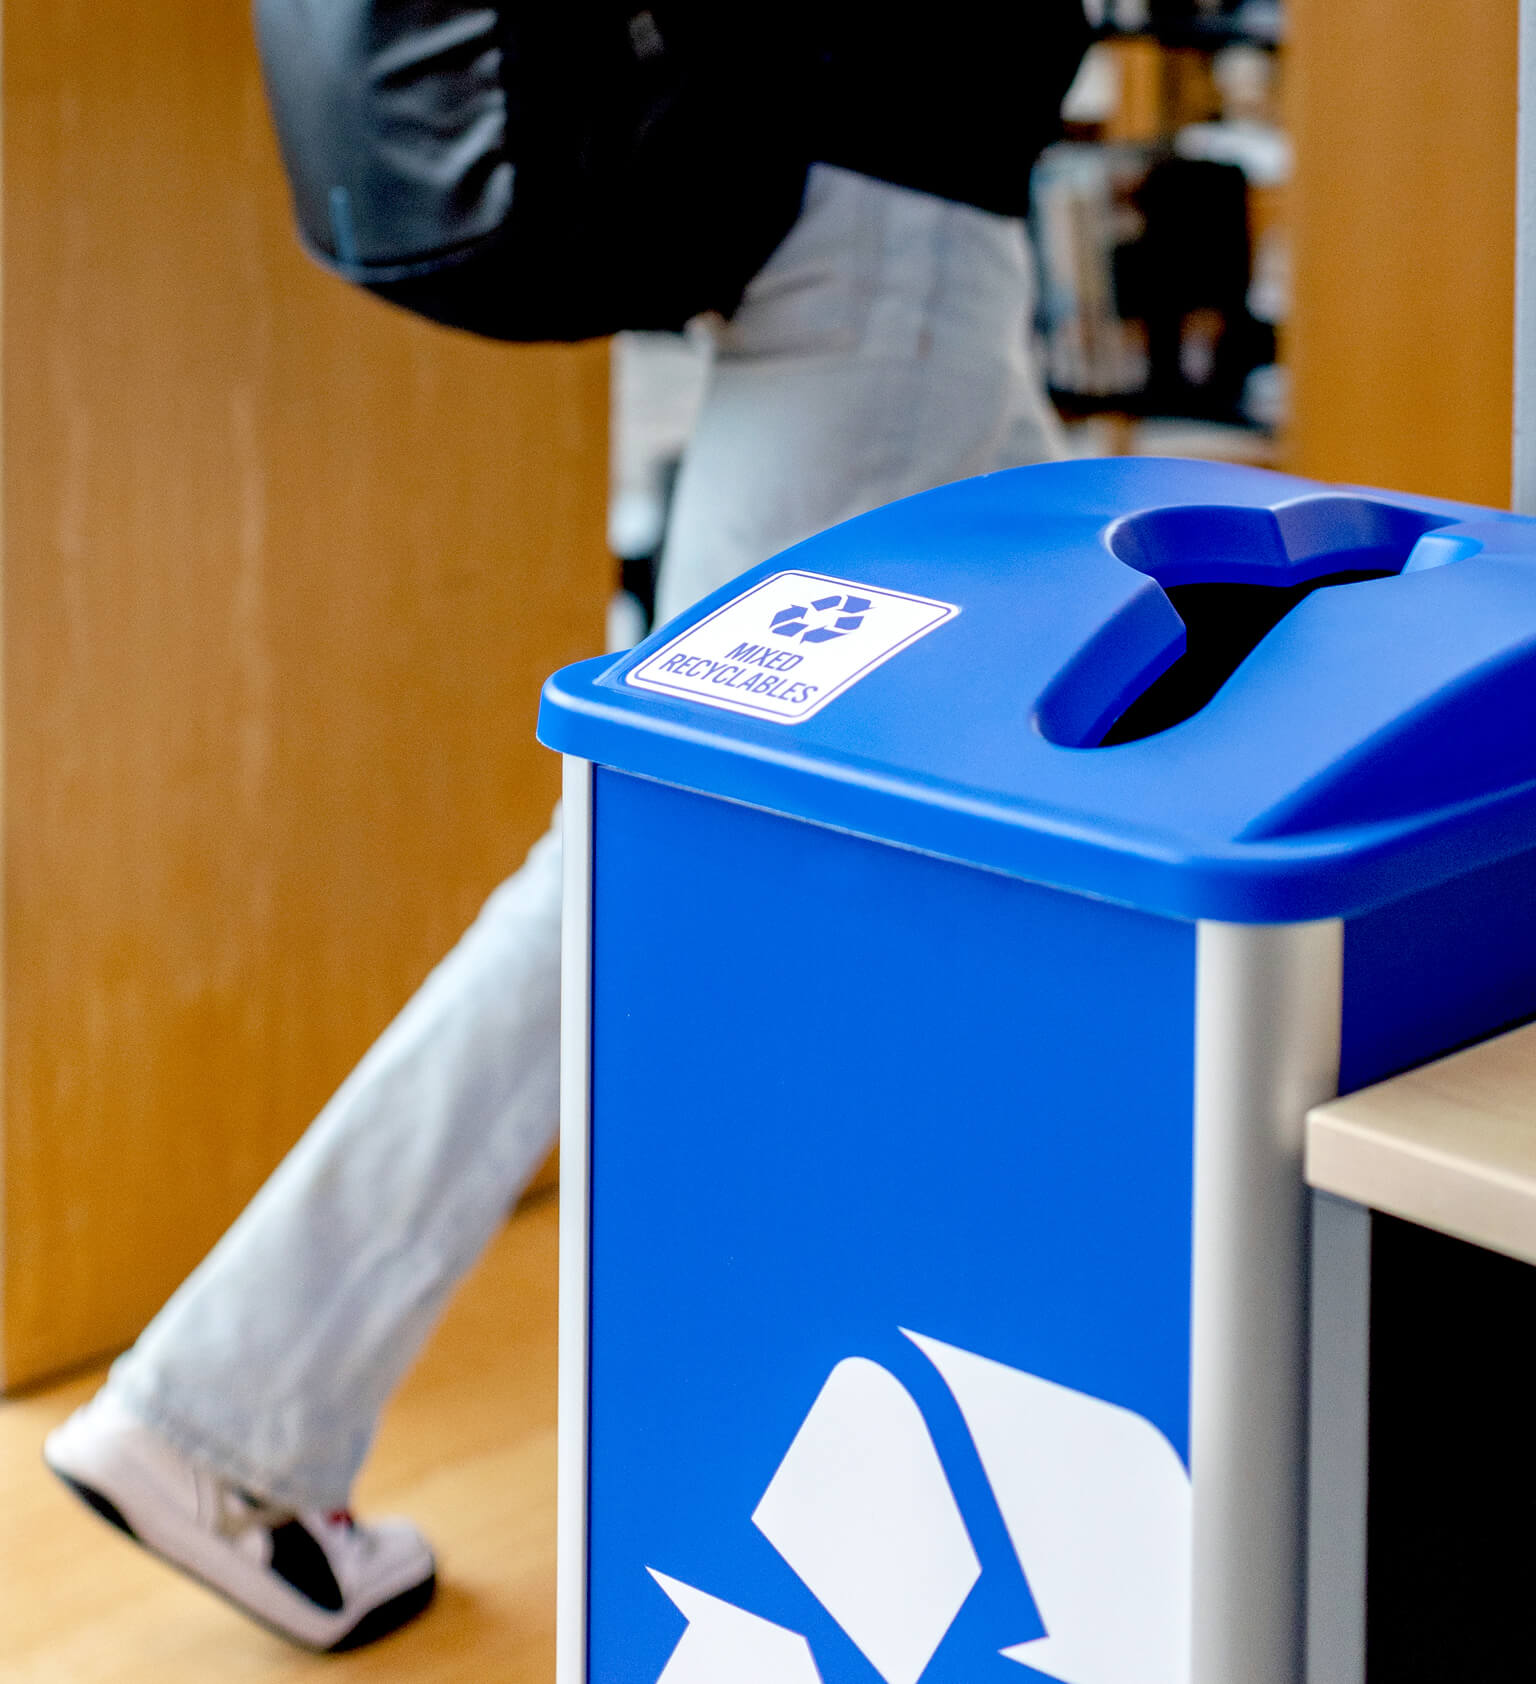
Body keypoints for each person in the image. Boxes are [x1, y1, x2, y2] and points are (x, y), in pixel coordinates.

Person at [44, 6, 1092, 1653]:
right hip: (887, 235)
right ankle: (221, 1419)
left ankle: (1040, 1264)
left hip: (879, 229)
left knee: (1032, 768)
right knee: (643, 857)